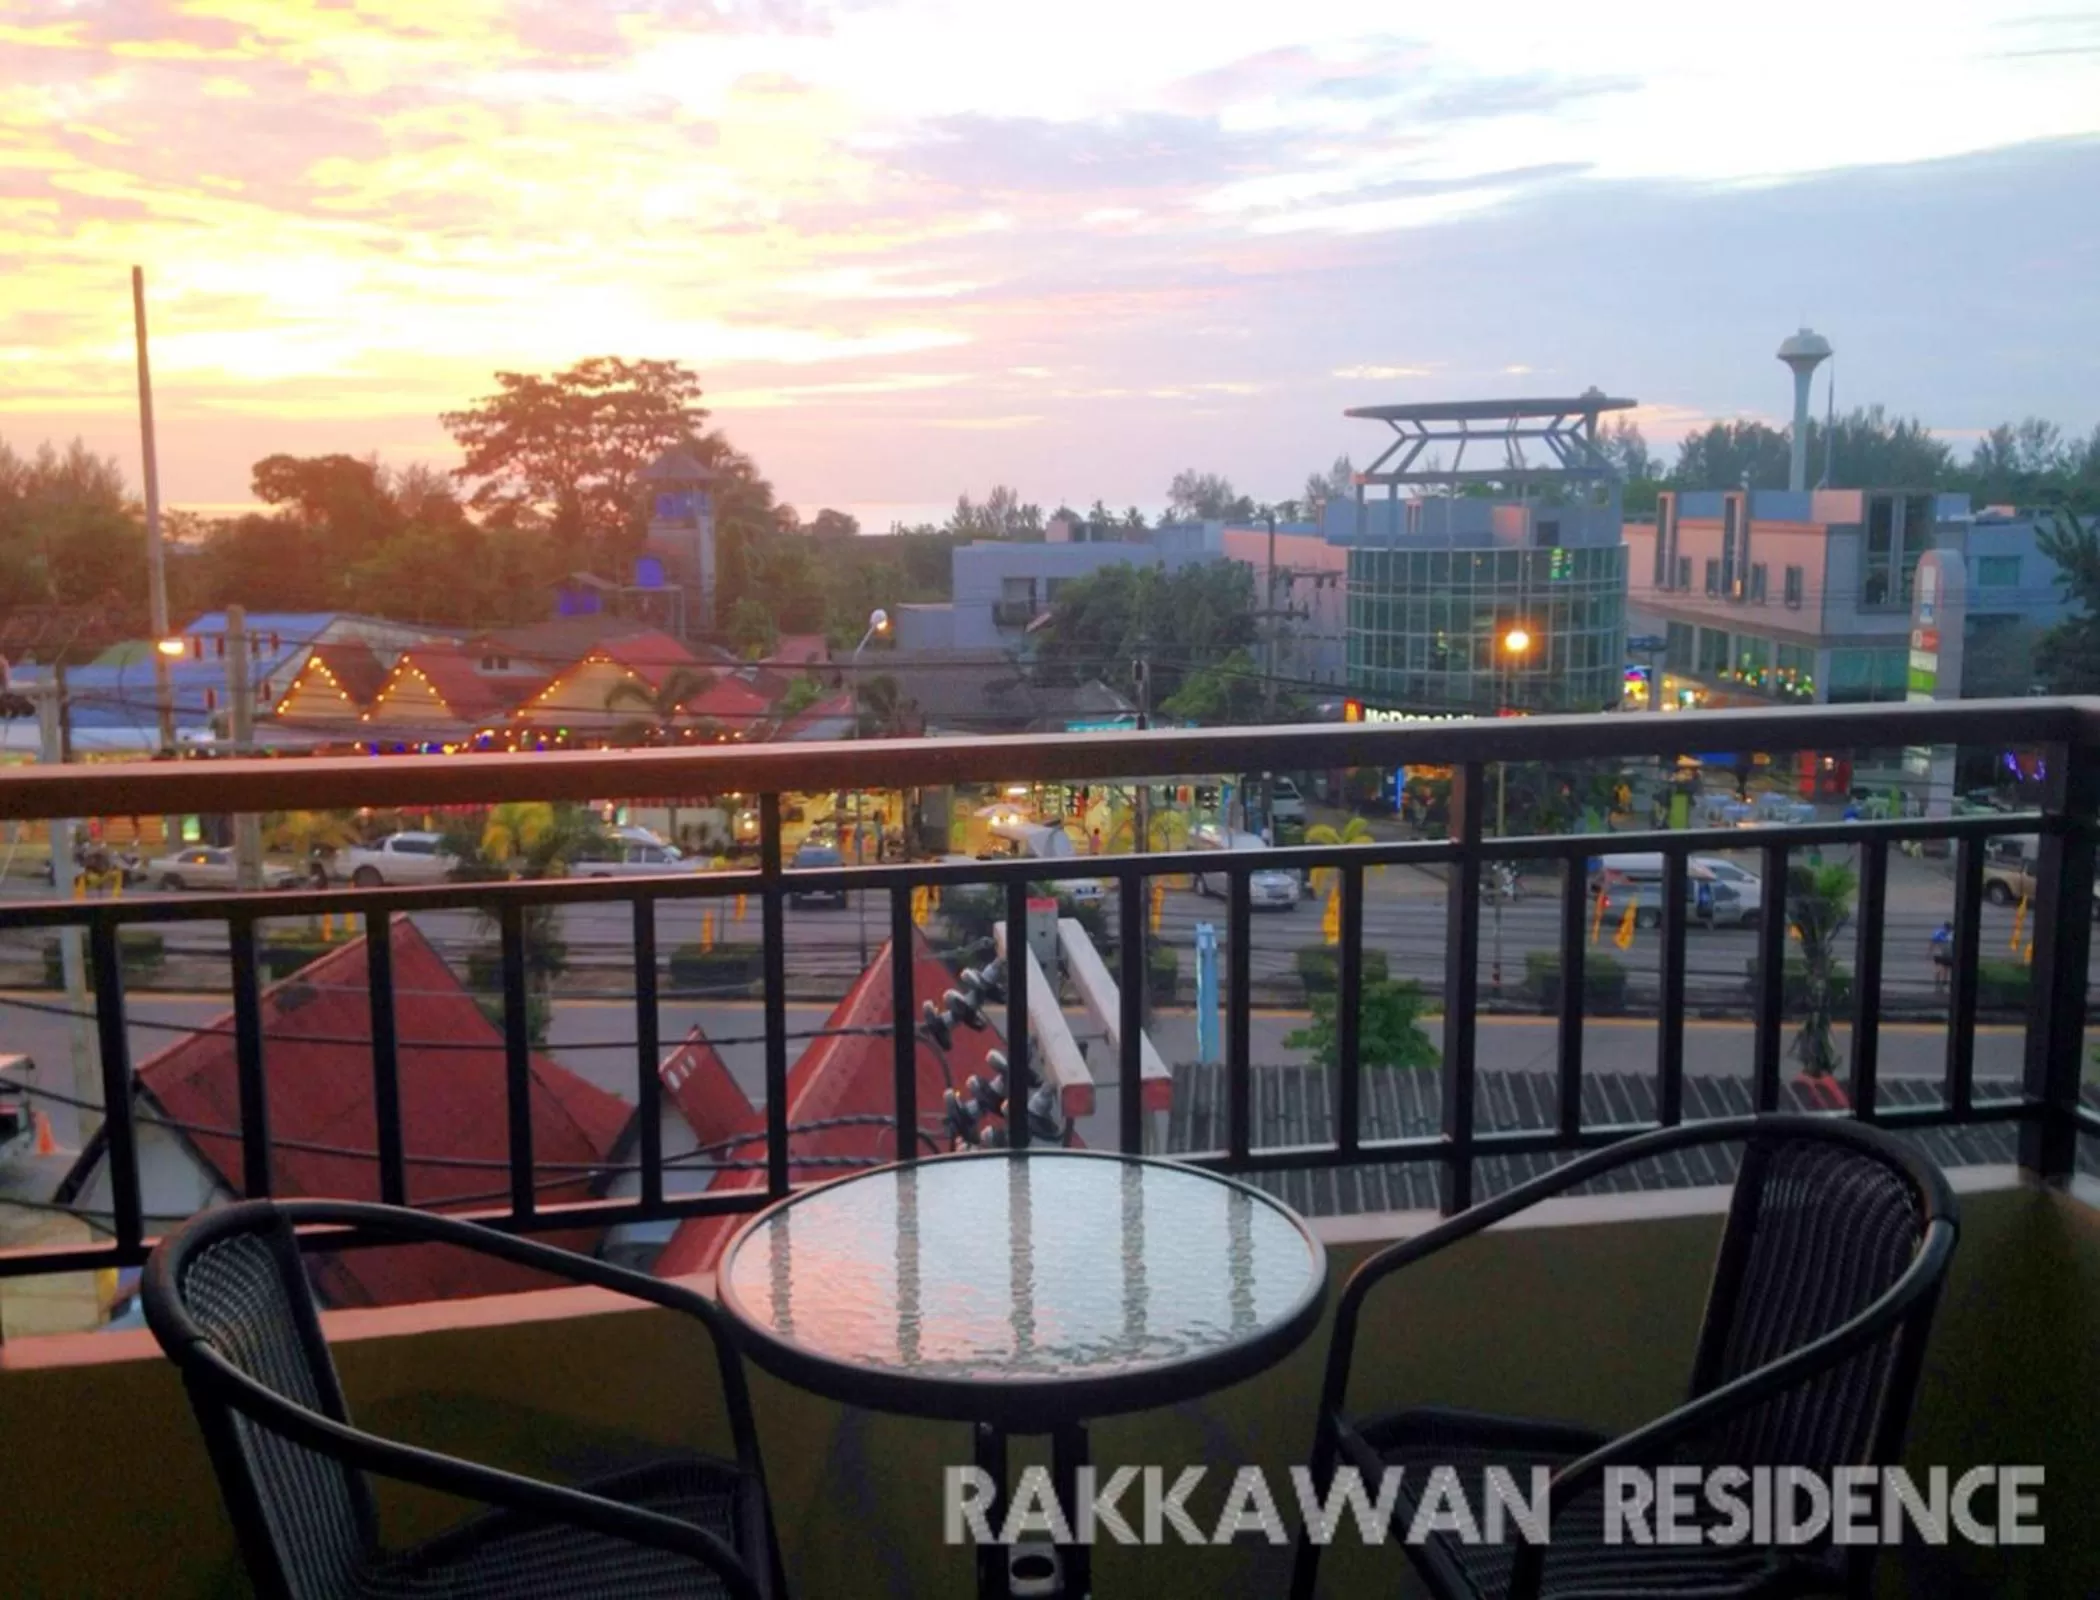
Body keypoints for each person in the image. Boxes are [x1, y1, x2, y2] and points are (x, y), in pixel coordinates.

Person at [1931, 921, 1954, 991]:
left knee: (1939, 968)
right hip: (1946, 954)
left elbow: (1932, 943)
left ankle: (1937, 981)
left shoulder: (1937, 932)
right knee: (1945, 968)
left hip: (1937, 953)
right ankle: (1943, 983)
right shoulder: (1950, 934)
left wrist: (1929, 952)